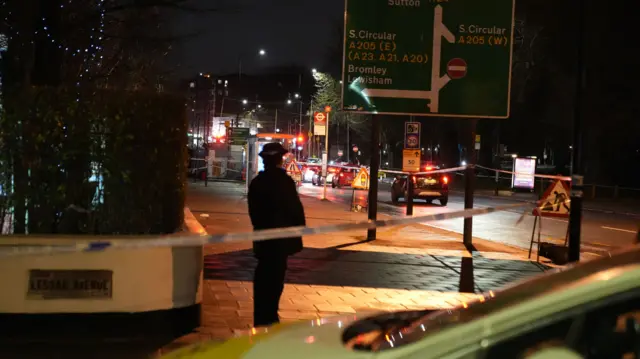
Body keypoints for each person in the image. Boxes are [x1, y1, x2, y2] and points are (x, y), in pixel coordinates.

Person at [247, 142, 305, 327]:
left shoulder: (257, 182)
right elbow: (295, 210)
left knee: (263, 275)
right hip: (281, 242)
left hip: (264, 240)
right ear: (280, 159)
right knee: (275, 278)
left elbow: (254, 213)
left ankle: (261, 316)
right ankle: (270, 316)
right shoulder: (285, 182)